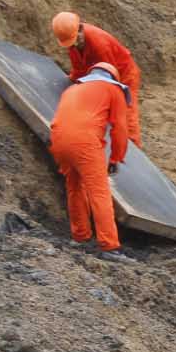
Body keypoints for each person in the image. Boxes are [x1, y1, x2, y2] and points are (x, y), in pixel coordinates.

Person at [49, 62, 131, 254]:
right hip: (84, 142)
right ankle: (109, 245)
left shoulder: (72, 89)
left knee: (74, 186)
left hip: (58, 139)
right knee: (99, 192)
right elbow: (120, 129)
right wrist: (116, 158)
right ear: (113, 78)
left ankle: (80, 236)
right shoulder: (113, 89)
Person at [52, 12, 143, 146]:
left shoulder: (100, 45)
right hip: (99, 70)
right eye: (72, 44)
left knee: (125, 110)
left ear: (81, 29)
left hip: (123, 73)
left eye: (77, 41)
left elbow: (109, 77)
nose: (75, 45)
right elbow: (79, 68)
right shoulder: (73, 41)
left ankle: (133, 145)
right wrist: (73, 81)